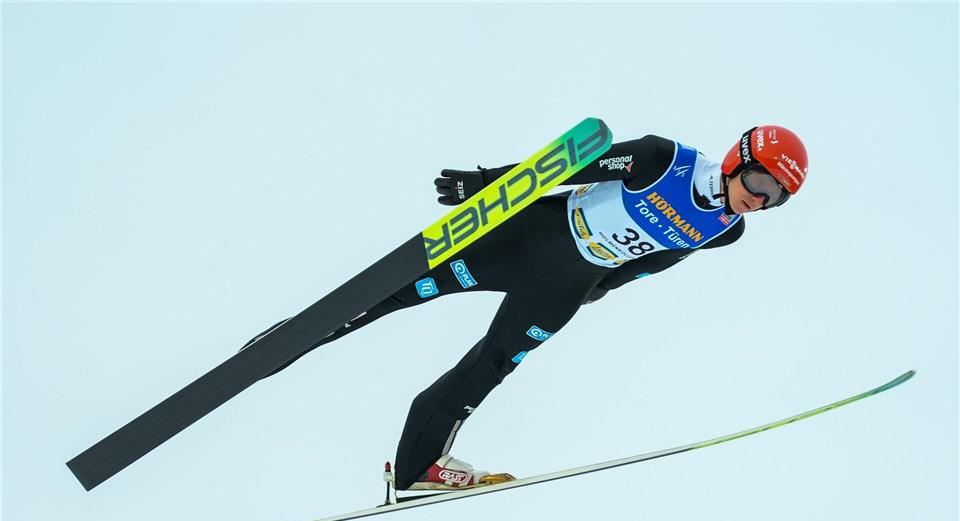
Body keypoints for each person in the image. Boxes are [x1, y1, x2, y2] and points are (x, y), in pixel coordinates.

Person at [251, 125, 809, 492]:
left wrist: (604, 287)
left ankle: (419, 466)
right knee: (395, 291)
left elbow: (659, 259)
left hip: (567, 283)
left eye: (776, 198)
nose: (760, 200)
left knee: (494, 364)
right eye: (761, 182)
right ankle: (281, 344)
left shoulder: (725, 231)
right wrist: (490, 184)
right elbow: (572, 167)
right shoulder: (663, 160)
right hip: (528, 238)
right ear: (741, 159)